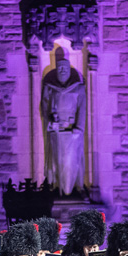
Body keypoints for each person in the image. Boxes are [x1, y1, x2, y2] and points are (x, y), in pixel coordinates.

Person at [41, 59, 86, 196]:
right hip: (56, 131)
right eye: (59, 68)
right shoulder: (50, 88)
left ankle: (75, 188)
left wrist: (79, 127)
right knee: (57, 161)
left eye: (65, 68)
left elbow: (82, 108)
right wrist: (50, 121)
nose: (62, 70)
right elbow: (44, 107)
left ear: (69, 70)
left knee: (72, 161)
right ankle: (56, 186)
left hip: (72, 133)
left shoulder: (78, 88)